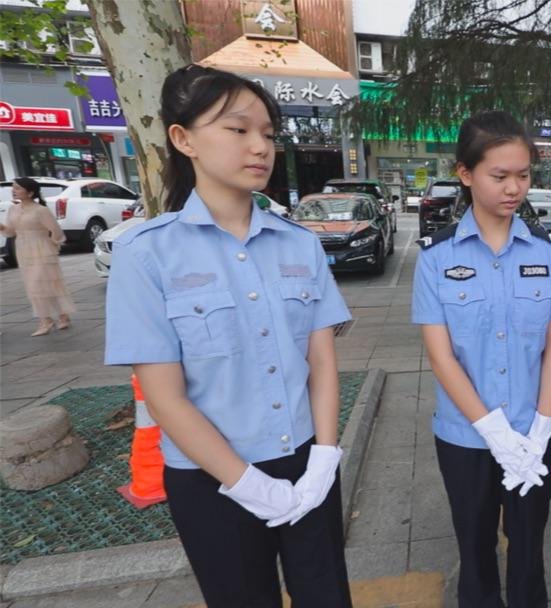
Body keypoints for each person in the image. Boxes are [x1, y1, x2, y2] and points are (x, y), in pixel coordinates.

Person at [104, 65, 353, 607]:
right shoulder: (146, 253)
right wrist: (246, 484)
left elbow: (322, 362)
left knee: (327, 595)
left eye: (267, 133)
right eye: (238, 130)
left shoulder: (300, 245)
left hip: (305, 460)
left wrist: (325, 458)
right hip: (211, 480)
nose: (260, 146)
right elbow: (165, 397)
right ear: (183, 138)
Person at [412, 110, 551, 608]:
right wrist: (493, 433)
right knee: (476, 546)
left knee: (529, 548)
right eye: (500, 175)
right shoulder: (436, 258)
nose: (514, 188)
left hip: (535, 432)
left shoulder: (548, 253)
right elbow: (441, 358)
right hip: (466, 438)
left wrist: (542, 425)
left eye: (524, 175)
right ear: (465, 173)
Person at [0, 177, 75, 336]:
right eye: (13, 188)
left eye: (18, 188)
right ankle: (60, 316)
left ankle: (46, 321)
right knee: (33, 285)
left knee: (42, 284)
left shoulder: (41, 210)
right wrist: (1, 227)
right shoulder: (13, 209)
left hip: (42, 249)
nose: (14, 190)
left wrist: (54, 245)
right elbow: (10, 232)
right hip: (22, 249)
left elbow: (57, 231)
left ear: (30, 192)